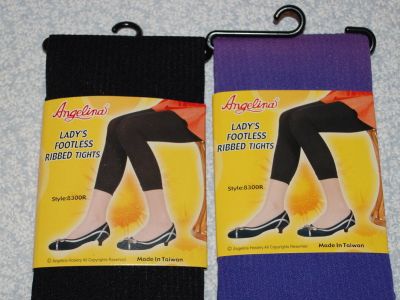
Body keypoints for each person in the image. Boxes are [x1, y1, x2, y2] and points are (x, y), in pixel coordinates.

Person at [49, 99, 204, 251]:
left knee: (129, 128)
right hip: (181, 104)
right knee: (115, 125)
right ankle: (95, 219)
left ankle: (161, 221)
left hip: (201, 113)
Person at [228, 91, 375, 239]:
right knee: (286, 118)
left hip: (369, 101)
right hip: (348, 94)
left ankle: (339, 208)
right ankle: (273, 206)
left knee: (300, 119)